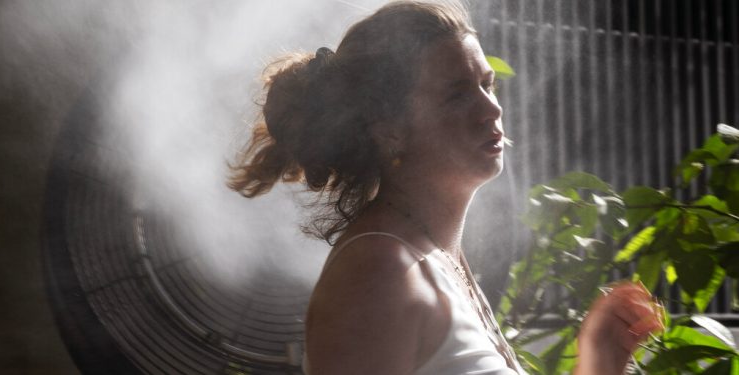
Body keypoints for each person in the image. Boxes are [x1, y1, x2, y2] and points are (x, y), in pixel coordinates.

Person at [228, 1, 664, 374]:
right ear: (389, 131)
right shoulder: (377, 272)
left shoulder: (432, 254)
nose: (490, 108)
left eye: (487, 84)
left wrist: (597, 362)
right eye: (457, 94)